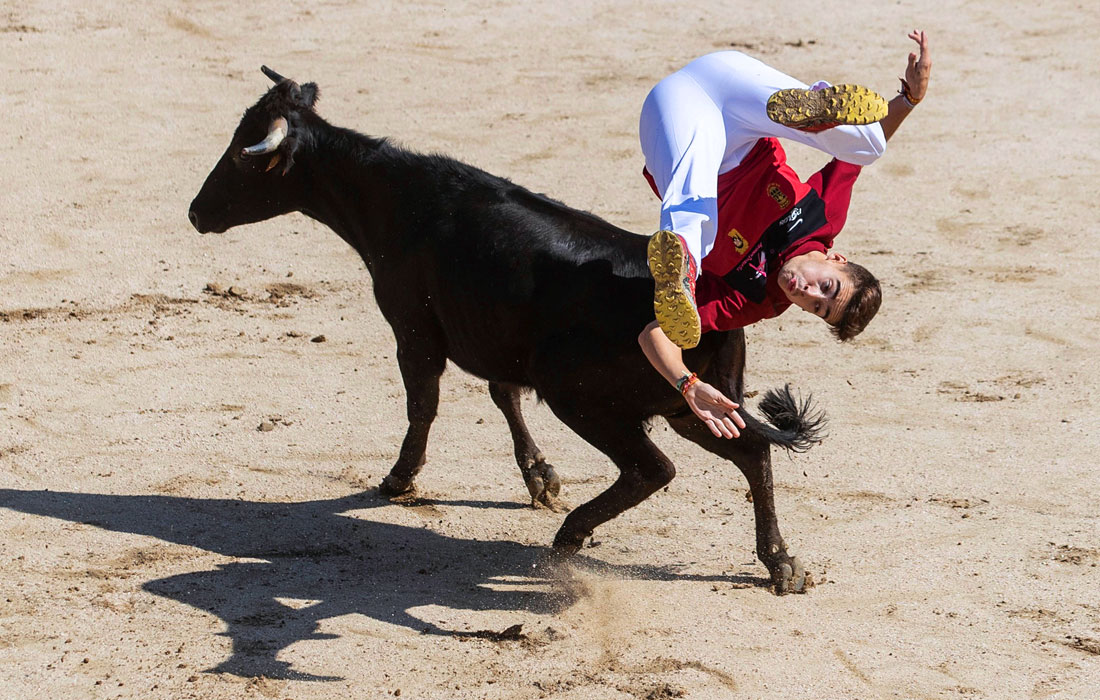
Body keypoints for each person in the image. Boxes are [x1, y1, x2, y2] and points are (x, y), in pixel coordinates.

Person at [638, 31, 931, 440]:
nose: (808, 294)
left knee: (696, 209)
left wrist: (688, 384)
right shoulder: (823, 218)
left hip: (674, 124)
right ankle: (816, 107)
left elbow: (655, 332)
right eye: (826, 287)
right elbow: (855, 160)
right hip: (734, 91)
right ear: (836, 259)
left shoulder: (756, 299)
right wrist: (909, 100)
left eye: (817, 308)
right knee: (866, 147)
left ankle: (681, 264)